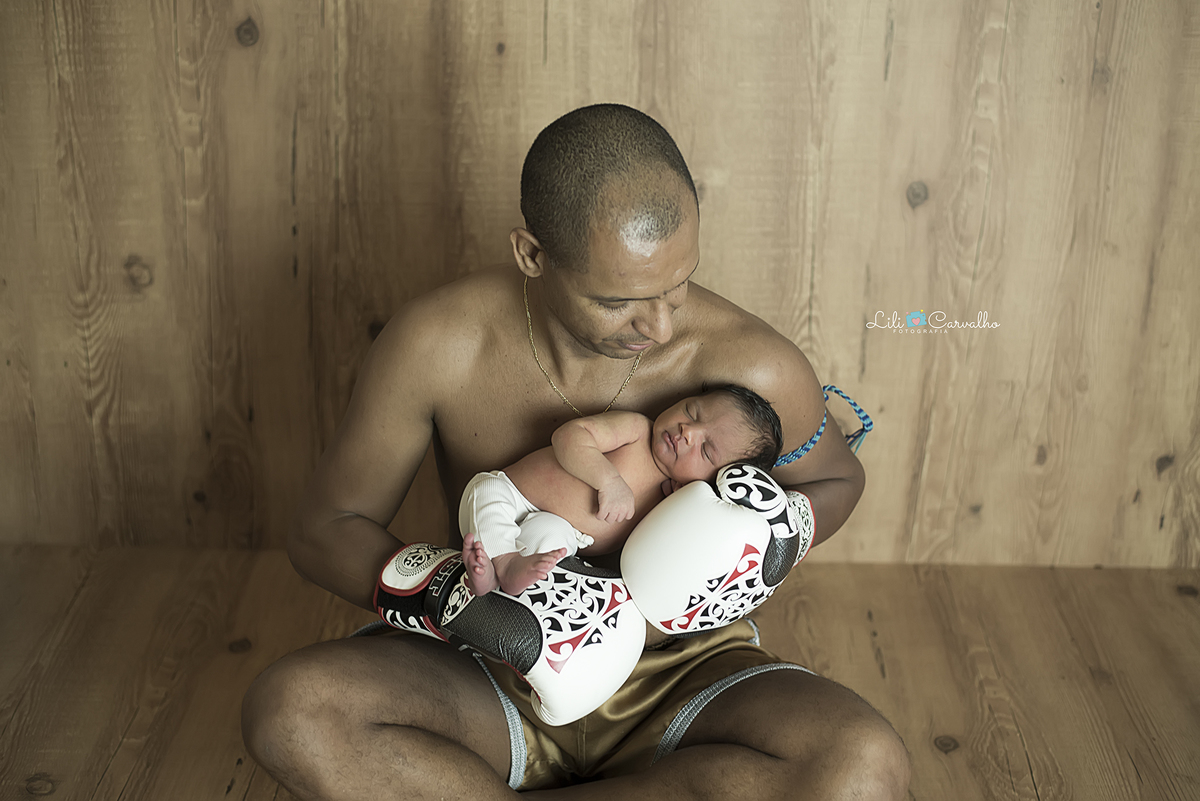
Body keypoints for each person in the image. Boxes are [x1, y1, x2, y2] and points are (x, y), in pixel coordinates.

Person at [241, 103, 911, 799]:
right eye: (620, 300)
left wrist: (782, 530)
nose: (658, 326)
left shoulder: (753, 365)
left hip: (678, 676)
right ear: (532, 254)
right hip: (489, 674)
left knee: (862, 764)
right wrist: (463, 601)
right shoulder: (437, 342)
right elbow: (325, 529)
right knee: (292, 711)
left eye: (677, 287)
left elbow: (835, 478)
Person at [462, 383, 783, 596]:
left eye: (707, 450)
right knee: (485, 493)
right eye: (692, 411)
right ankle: (499, 566)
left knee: (551, 553)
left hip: (562, 534)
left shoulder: (679, 503)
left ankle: (501, 590)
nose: (688, 431)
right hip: (513, 493)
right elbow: (570, 437)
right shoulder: (636, 430)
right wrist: (608, 481)